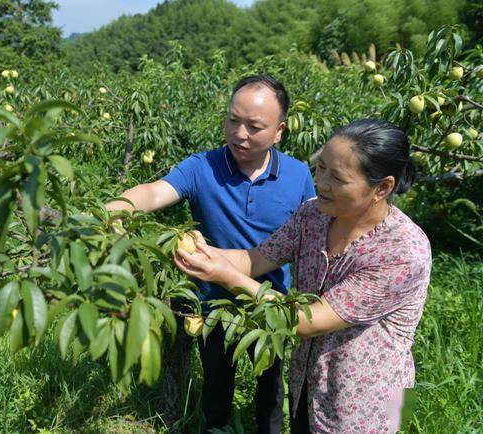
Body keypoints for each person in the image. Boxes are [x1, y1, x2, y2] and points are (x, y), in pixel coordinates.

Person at [174, 118, 432, 433]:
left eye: (337, 177)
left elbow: (305, 322)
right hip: (309, 384)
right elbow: (255, 259)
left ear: (382, 187)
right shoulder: (314, 214)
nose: (321, 183)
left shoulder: (403, 252)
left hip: (369, 404)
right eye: (321, 168)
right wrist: (198, 253)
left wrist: (227, 278)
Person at [106, 74, 316, 433]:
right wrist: (116, 209)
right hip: (214, 306)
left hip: (269, 304)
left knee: (270, 393)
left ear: (279, 131)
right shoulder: (202, 166)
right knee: (216, 388)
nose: (240, 134)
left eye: (254, 126)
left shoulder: (298, 175)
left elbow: (311, 236)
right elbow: (154, 192)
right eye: (233, 120)